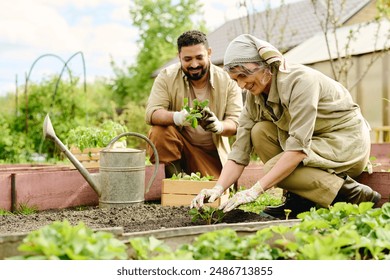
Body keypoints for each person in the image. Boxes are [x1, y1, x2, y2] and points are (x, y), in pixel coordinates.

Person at [191, 34, 381, 218]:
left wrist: (255, 190)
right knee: (260, 132)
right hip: (315, 145)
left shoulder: (301, 82)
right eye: (235, 79)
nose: (241, 85)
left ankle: (352, 194)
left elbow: (297, 149)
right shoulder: (254, 97)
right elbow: (240, 150)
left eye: (243, 75)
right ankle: (300, 201)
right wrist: (218, 188)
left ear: (265, 66)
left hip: (345, 143)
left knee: (273, 168)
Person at [145, 30, 243, 178]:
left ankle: (196, 180)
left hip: (212, 154)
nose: (194, 64)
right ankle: (175, 179)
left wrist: (219, 126)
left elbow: (236, 122)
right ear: (179, 57)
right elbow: (152, 113)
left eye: (199, 57)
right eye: (187, 59)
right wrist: (178, 117)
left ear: (209, 53)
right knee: (159, 132)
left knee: (210, 192)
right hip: (180, 148)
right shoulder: (166, 77)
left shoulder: (228, 80)